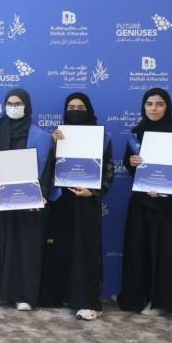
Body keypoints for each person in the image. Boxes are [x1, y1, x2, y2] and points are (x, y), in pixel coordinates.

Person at [117, 88, 172, 315]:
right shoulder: (136, 132)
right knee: (140, 249)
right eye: (149, 104)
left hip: (170, 203)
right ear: (143, 106)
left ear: (167, 106)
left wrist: (163, 189)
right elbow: (129, 164)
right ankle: (137, 296)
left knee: (164, 251)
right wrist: (132, 162)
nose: (153, 108)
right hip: (142, 200)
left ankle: (161, 302)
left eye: (159, 104)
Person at [40, 93, 114, 321]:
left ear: (89, 110)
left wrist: (93, 192)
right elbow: (47, 168)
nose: (76, 111)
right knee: (61, 248)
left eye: (81, 108)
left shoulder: (102, 137)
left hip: (87, 202)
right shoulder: (58, 135)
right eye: (71, 107)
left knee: (85, 251)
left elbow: (108, 170)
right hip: (62, 200)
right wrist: (51, 144)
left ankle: (87, 301)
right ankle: (62, 295)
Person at [0, 88, 55, 311]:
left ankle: (24, 295)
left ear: (27, 106)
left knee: (25, 246)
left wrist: (40, 196)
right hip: (0, 195)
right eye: (10, 104)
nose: (13, 108)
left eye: (18, 103)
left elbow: (47, 170)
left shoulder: (41, 137)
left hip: (27, 199)